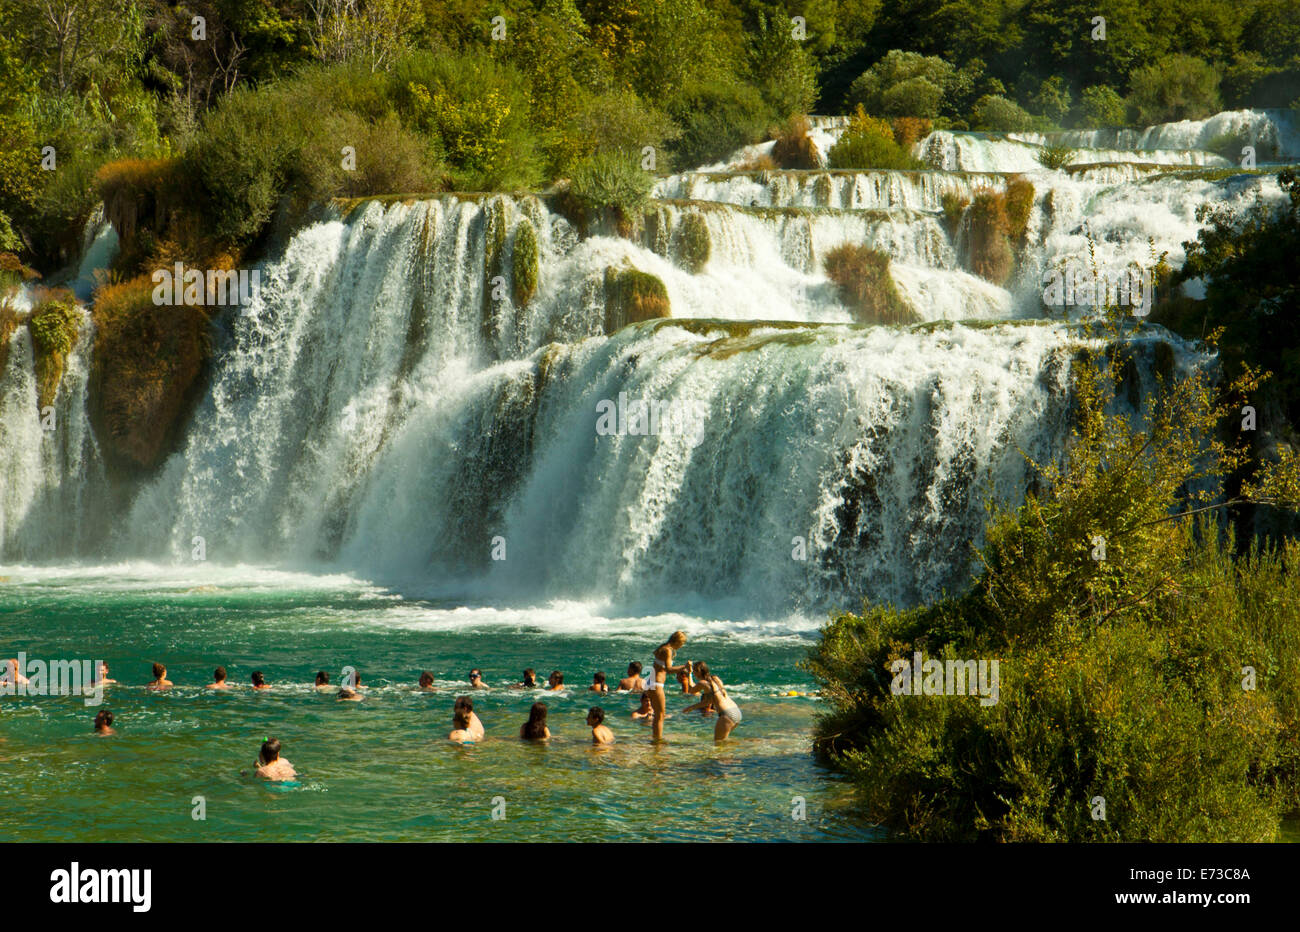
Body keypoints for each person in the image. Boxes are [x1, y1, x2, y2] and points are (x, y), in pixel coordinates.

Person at [648, 631, 689, 740]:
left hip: (651, 682)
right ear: (678, 641)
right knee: (660, 715)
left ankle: (655, 738)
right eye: (682, 643)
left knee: (657, 715)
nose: (682, 646)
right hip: (657, 684)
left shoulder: (662, 647)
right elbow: (669, 669)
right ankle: (658, 741)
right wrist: (684, 667)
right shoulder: (668, 650)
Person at [694, 662, 742, 741]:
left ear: (697, 672)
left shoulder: (703, 683)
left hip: (727, 714)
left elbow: (691, 690)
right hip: (736, 711)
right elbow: (709, 701)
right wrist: (691, 707)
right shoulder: (716, 679)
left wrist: (688, 675)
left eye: (693, 671)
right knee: (724, 741)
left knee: (718, 744)